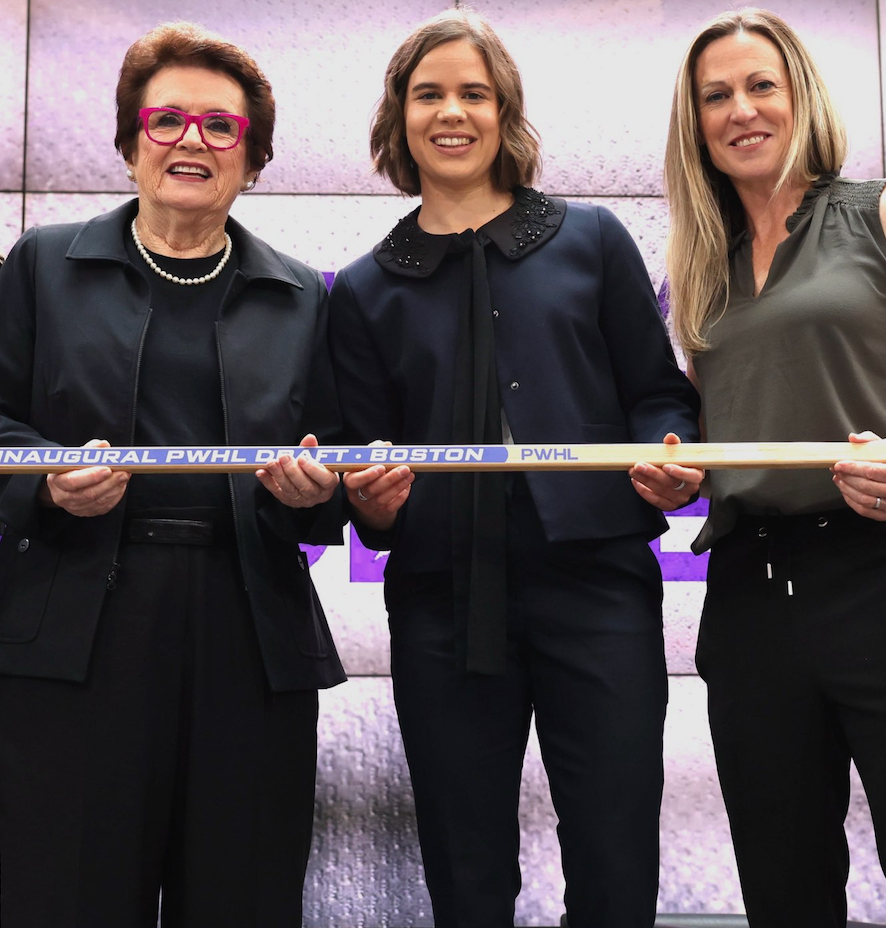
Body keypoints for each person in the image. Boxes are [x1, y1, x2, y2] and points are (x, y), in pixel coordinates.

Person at [0, 21, 344, 928]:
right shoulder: (44, 262)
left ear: (254, 156)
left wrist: (321, 488)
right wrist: (44, 478)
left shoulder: (301, 295)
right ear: (129, 143)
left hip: (252, 628)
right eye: (166, 121)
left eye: (220, 127)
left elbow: (338, 454)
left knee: (243, 896)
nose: (191, 140)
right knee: (70, 896)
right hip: (77, 622)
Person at [325, 10, 702, 926]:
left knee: (616, 863)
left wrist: (671, 454)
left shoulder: (593, 240)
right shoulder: (366, 285)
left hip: (600, 589)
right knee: (466, 869)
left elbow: (657, 393)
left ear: (505, 114)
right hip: (440, 603)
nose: (451, 113)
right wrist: (371, 506)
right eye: (429, 95)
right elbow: (359, 465)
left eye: (473, 94)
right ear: (399, 118)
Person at [660, 9, 886, 927]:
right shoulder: (698, 262)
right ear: (694, 121)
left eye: (760, 85)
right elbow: (725, 421)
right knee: (784, 885)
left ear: (800, 93)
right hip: (749, 591)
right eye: (716, 95)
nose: (741, 110)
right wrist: (676, 471)